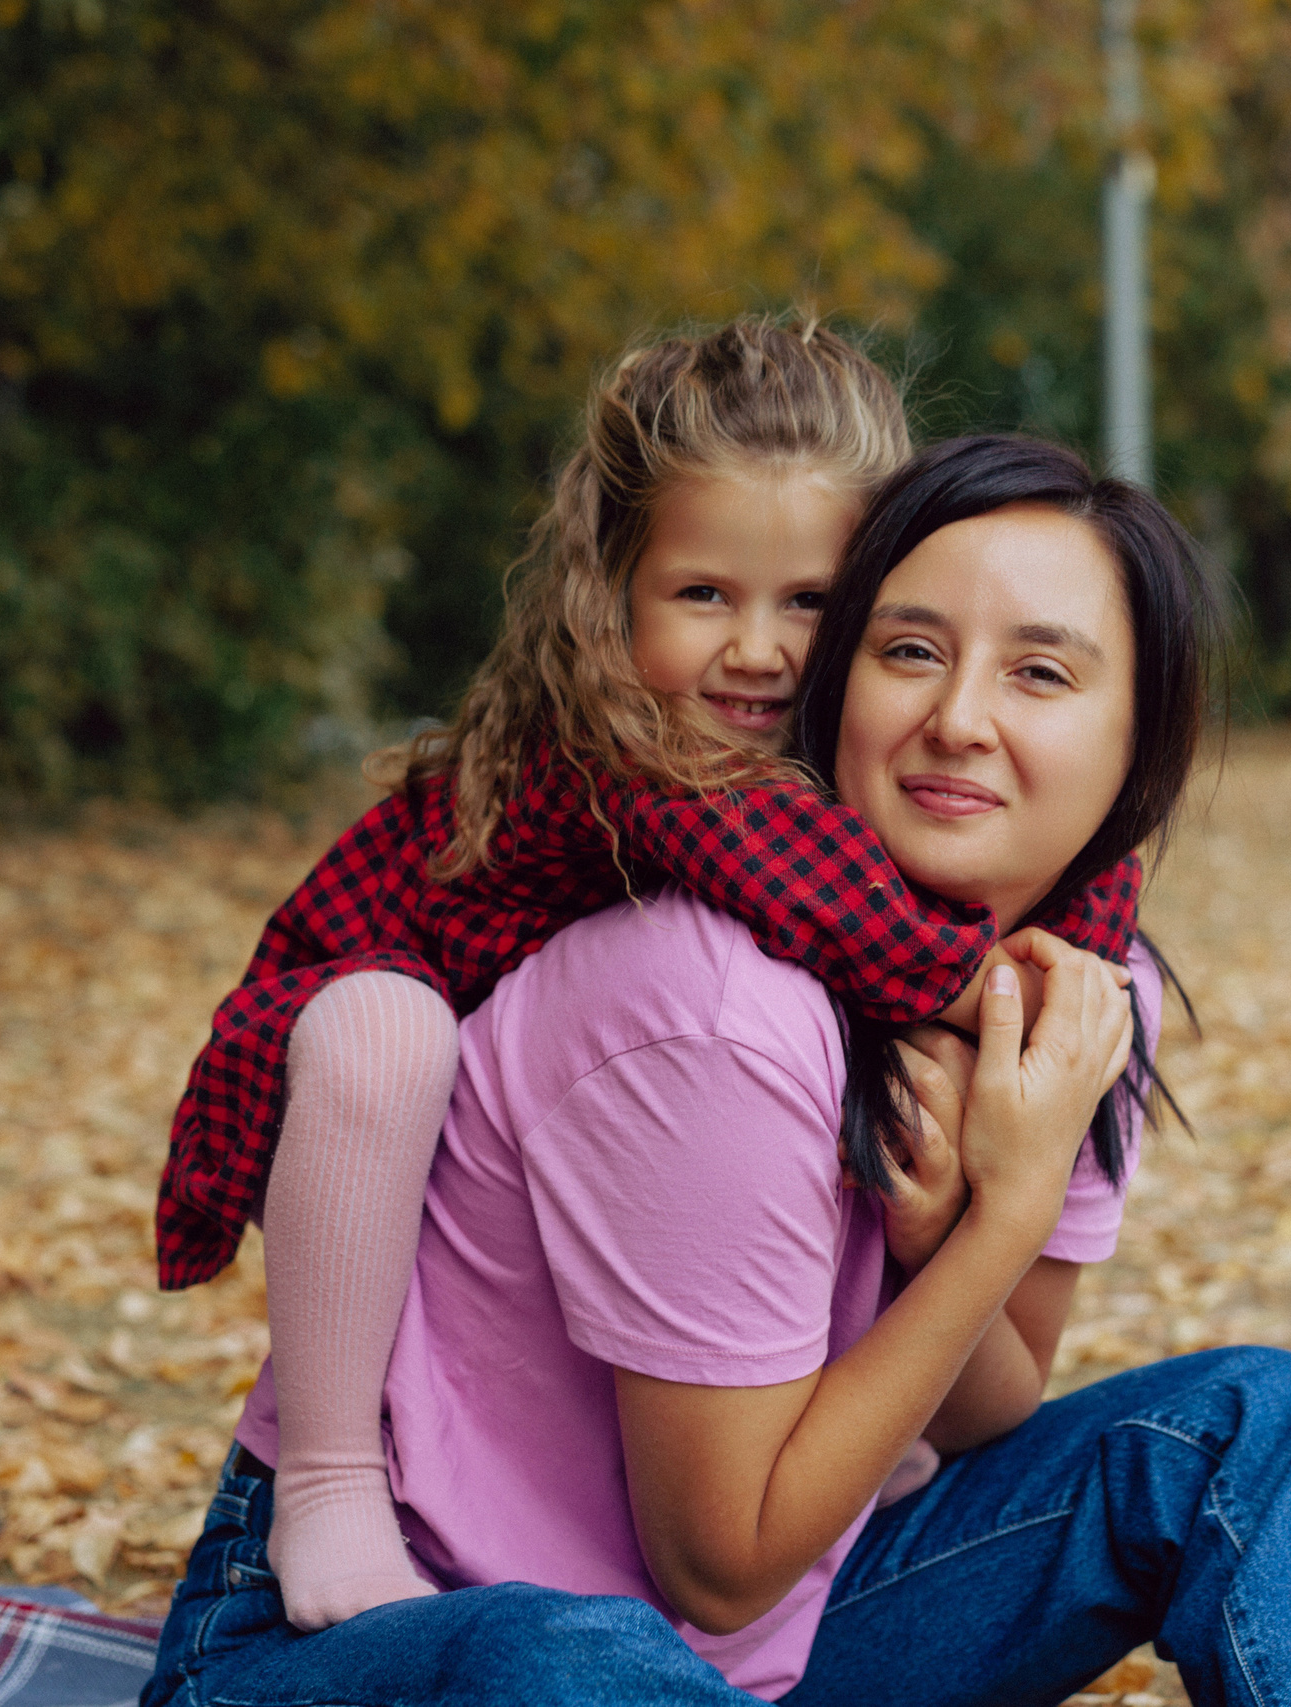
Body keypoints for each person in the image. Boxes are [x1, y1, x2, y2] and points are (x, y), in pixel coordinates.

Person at [145, 437, 1291, 1707]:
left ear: (1137, 742)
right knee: (571, 1660)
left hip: (770, 1630)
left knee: (1257, 1427)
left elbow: (993, 1405)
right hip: (387, 1638)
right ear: (836, 678)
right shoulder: (713, 1000)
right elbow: (721, 1567)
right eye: (911, 650)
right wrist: (1005, 1215)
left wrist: (939, 1244)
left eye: (1041, 673)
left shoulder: (1086, 995)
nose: (960, 718)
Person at [155, 326, 1142, 1631]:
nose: (760, 651)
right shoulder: (644, 758)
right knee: (380, 1035)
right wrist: (1024, 994)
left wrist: (1096, 925)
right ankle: (333, 1477)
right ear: (613, 595)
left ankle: (827, 1411)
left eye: (809, 603)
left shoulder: (842, 778)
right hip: (343, 1032)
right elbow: (848, 911)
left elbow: (1039, 873)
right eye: (704, 596)